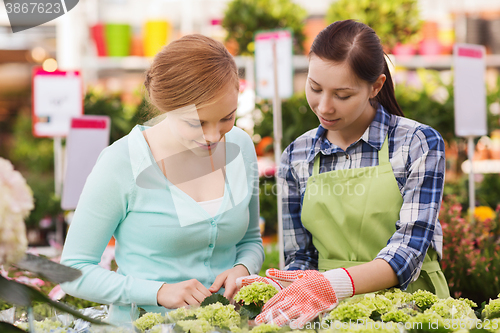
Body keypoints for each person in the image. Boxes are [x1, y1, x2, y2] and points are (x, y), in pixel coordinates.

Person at [237, 20, 449, 328]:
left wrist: (329, 285)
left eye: (342, 94)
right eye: (315, 88)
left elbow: (408, 252)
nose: (324, 107)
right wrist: (282, 286)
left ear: (375, 86)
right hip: (329, 314)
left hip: (411, 309)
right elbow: (302, 256)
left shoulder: (417, 143)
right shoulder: (297, 155)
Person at [60, 34, 264, 325]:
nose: (213, 136)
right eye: (196, 122)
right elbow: (72, 270)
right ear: (167, 106)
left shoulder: (241, 147)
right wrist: (157, 292)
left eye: (226, 118)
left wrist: (243, 267)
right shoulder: (122, 163)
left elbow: (251, 240)